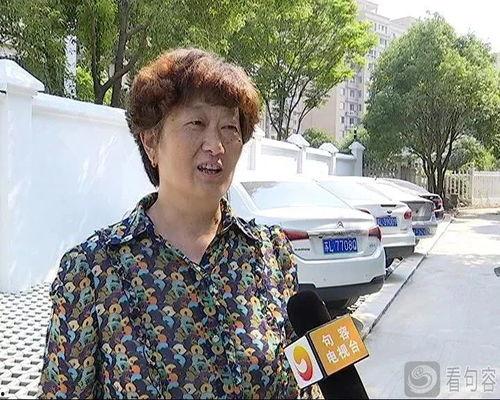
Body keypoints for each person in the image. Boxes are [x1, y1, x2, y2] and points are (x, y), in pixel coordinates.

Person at [39, 48, 308, 399]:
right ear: (151, 141)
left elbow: (302, 384)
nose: (216, 146)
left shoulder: (271, 256)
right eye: (197, 123)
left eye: (229, 127)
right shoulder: (93, 271)